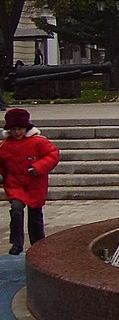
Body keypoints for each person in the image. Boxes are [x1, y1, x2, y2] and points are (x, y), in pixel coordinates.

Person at [0, 108, 60, 256]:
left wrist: (38, 167)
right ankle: (17, 243)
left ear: (26, 128)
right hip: (16, 185)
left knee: (35, 214)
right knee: (16, 210)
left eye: (20, 129)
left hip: (35, 184)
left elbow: (53, 155)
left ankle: (38, 243)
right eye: (14, 129)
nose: (17, 132)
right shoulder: (5, 146)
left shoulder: (38, 141)